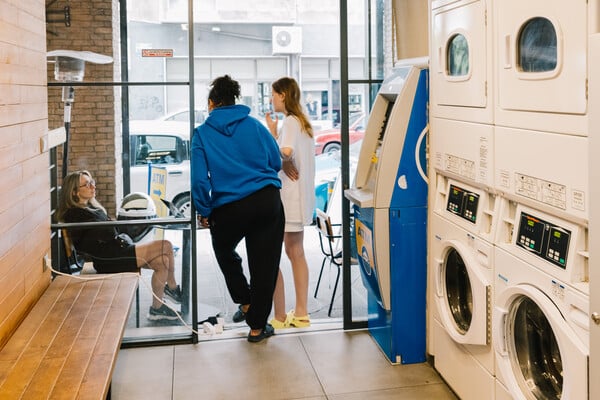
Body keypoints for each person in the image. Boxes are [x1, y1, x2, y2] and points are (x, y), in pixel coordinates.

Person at [191, 75, 285, 343]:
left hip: (228, 207)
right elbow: (275, 161)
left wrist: (205, 210)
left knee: (223, 250)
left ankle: (244, 302)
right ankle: (256, 327)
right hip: (266, 201)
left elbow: (199, 179)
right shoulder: (254, 126)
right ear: (234, 101)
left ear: (212, 103)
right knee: (264, 264)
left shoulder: (202, 134)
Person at [57, 170, 183, 321]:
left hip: (115, 252)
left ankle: (157, 309)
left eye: (92, 182)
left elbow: (108, 231)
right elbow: (104, 236)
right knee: (166, 246)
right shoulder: (76, 214)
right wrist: (111, 226)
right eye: (87, 184)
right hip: (109, 259)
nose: (93, 186)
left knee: (162, 261)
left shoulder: (90, 209)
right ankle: (173, 288)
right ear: (75, 192)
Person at [265, 77, 315, 329]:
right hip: (299, 197)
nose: (271, 99)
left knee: (292, 253)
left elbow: (284, 153)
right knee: (296, 253)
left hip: (290, 198)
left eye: (273, 95)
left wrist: (272, 137)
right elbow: (289, 154)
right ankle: (301, 311)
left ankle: (295, 313)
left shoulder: (291, 122)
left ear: (283, 95)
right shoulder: (301, 122)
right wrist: (275, 134)